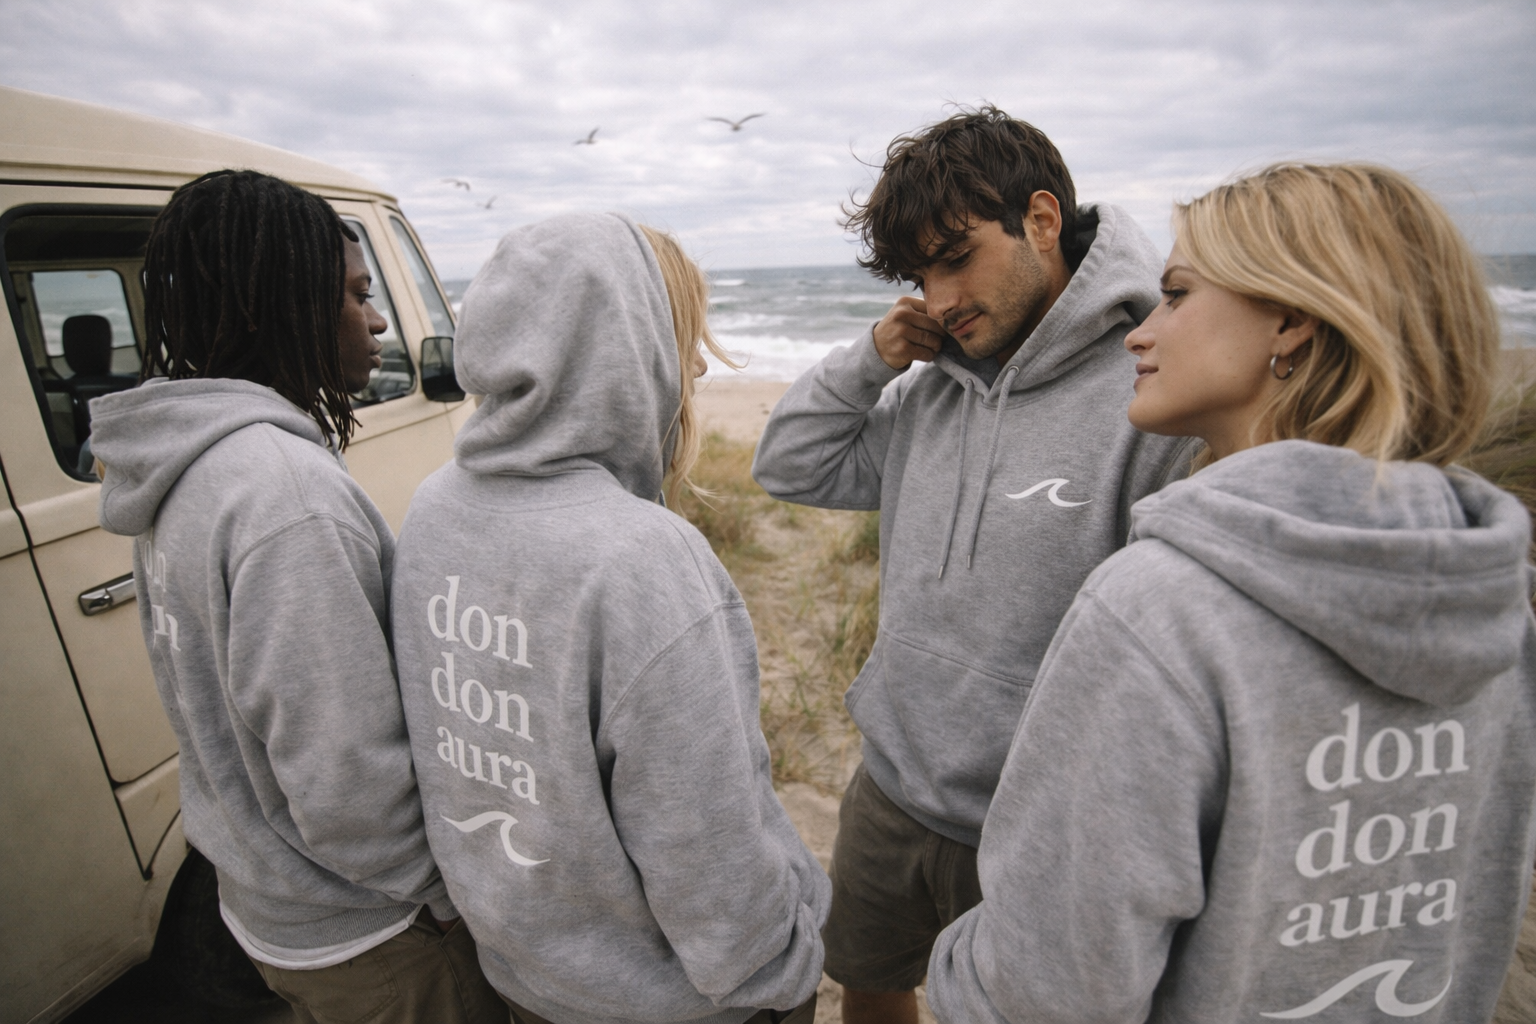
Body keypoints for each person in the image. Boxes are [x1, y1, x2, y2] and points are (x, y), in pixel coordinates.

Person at [927, 163, 1536, 1024]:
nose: (1141, 334)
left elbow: (1047, 992)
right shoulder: (1498, 598)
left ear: (1289, 319)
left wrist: (952, 964)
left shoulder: (1157, 610)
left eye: (1175, 294)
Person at [750, 106, 1194, 1023]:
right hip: (893, 779)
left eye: (954, 257)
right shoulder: (929, 392)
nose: (939, 297)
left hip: (1036, 820)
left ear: (1040, 219)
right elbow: (788, 462)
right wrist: (871, 361)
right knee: (870, 982)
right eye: (920, 274)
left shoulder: (1149, 389)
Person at [389, 213, 830, 1024]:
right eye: (681, 335)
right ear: (628, 349)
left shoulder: (434, 508)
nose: (696, 363)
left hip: (525, 976)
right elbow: (705, 848)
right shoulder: (640, 558)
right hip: (669, 1002)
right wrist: (779, 974)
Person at [90, 169, 505, 1024]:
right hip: (370, 932)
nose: (380, 319)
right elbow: (347, 779)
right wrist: (443, 894)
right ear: (283, 307)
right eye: (357, 295)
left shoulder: (183, 462)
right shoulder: (283, 493)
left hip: (266, 902)